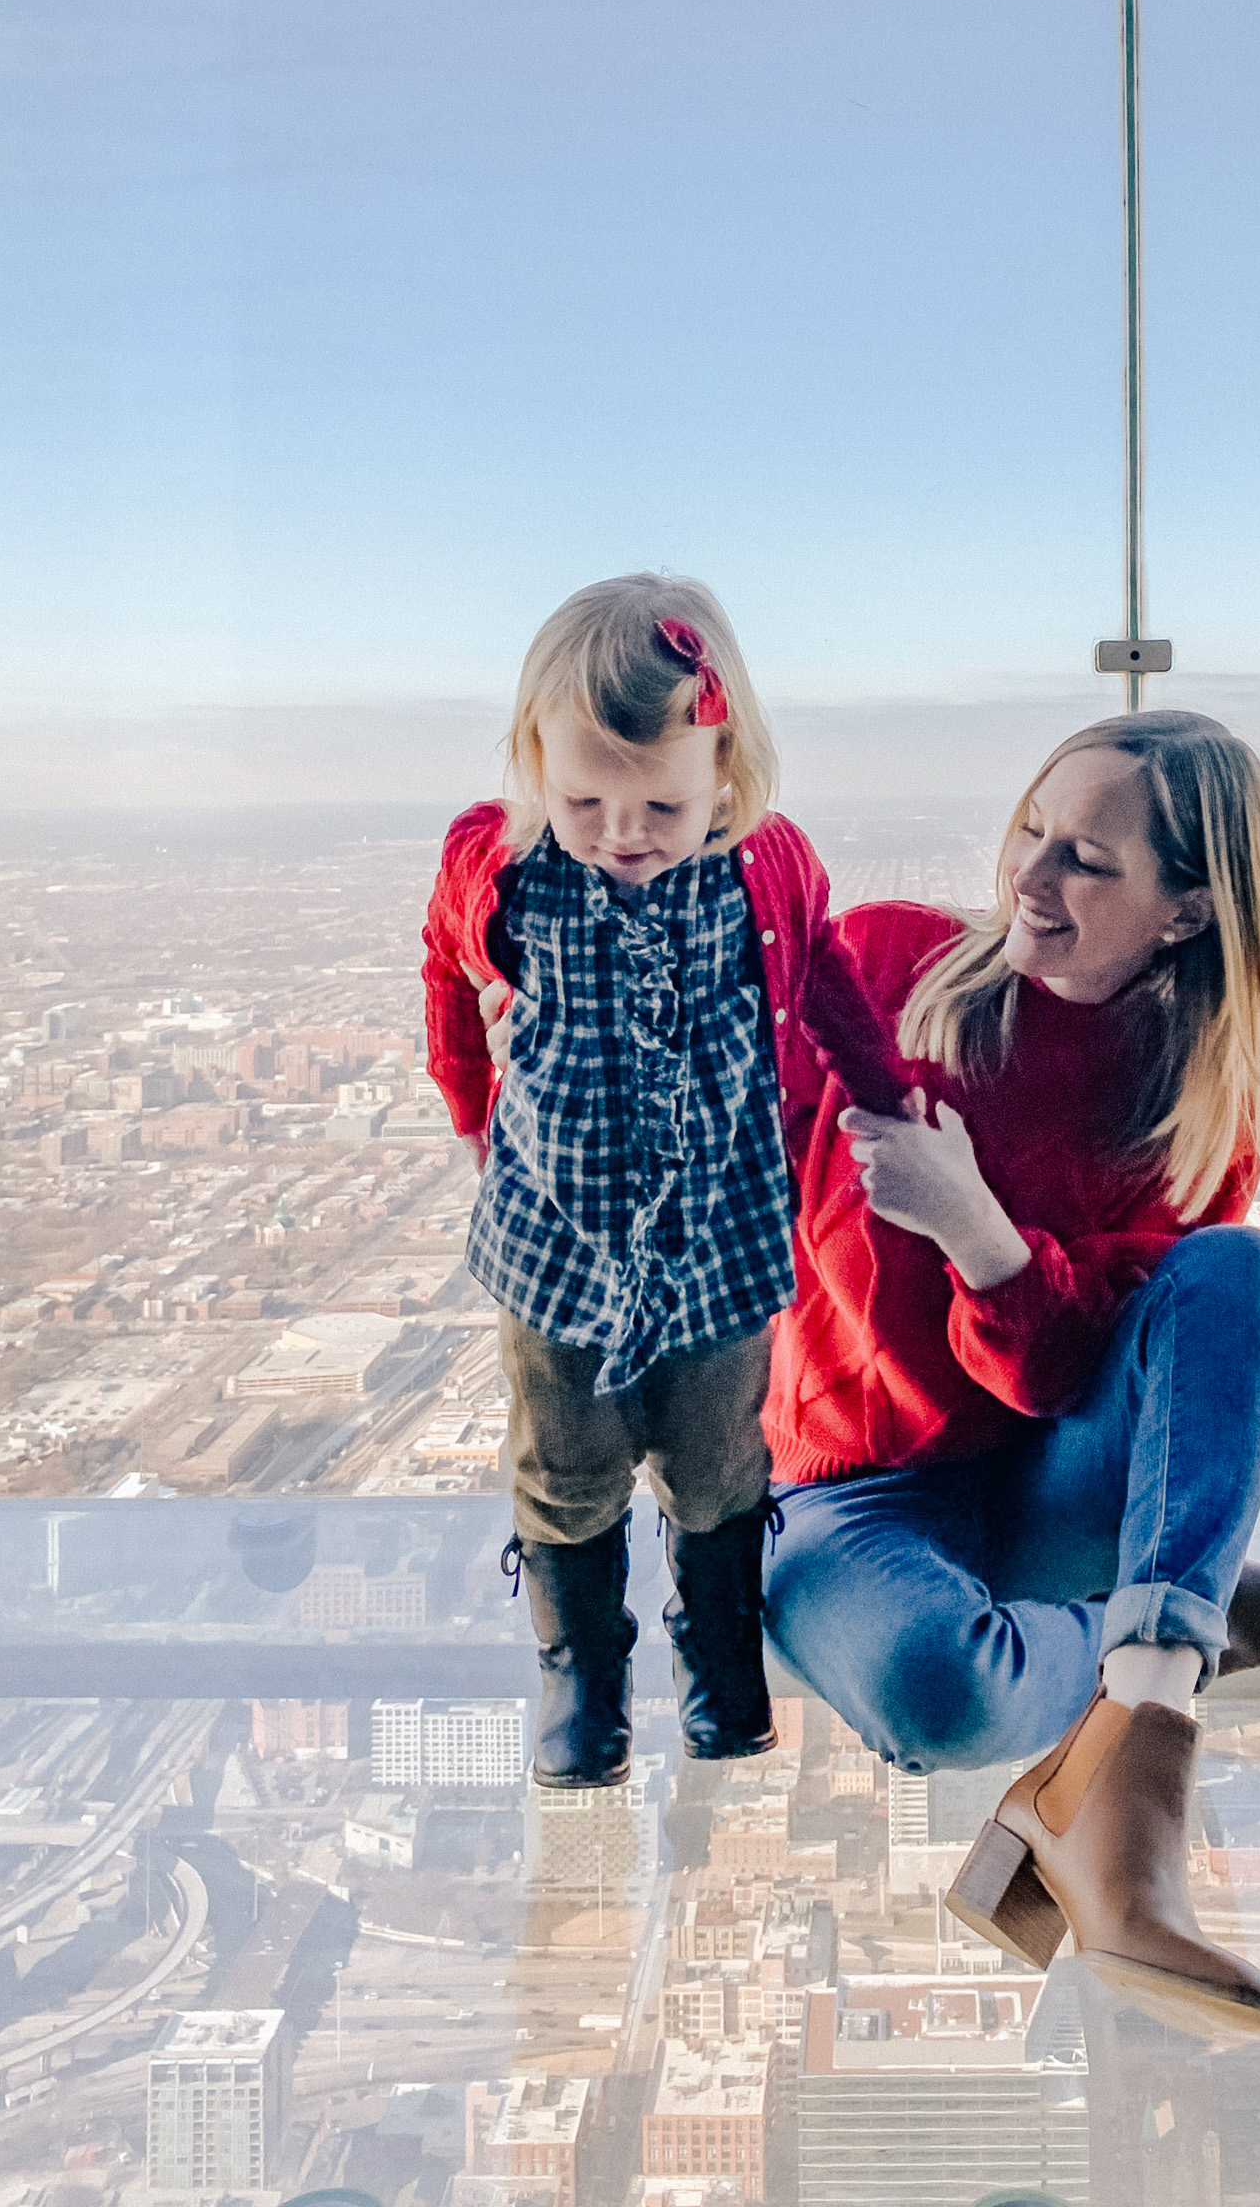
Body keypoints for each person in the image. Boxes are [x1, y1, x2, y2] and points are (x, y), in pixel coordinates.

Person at [474, 705, 1260, 2041]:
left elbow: (1060, 1384)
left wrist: (973, 1226)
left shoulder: (1188, 1119)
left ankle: (1133, 1795)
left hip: (1034, 1485)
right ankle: (1194, 1620)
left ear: (1185, 911)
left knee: (1239, 1275)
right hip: (834, 1493)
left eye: (1089, 863)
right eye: (1032, 834)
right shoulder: (884, 968)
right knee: (943, 1698)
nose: (1031, 881)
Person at [421, 573, 903, 1793]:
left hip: (720, 1240)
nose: (623, 830)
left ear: (727, 775)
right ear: (533, 765)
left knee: (720, 1462)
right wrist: (471, 1103)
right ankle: (582, 1673)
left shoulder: (767, 870)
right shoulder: (501, 865)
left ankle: (720, 1655)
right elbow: (444, 966)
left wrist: (884, 1090)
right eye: (583, 796)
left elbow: (832, 982)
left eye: (663, 803)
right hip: (555, 1246)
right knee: (564, 1465)